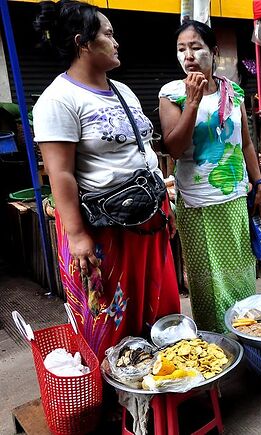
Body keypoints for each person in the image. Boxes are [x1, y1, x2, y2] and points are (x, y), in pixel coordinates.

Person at [32, 0, 180, 358]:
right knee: (111, 317)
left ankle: (162, 389)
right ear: (83, 43)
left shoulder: (122, 90)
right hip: (103, 228)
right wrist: (78, 236)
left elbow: (142, 151)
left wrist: (163, 205)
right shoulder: (58, 99)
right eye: (109, 34)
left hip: (146, 216)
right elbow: (61, 174)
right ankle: (118, 404)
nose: (117, 42)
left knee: (156, 306)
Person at [158, 20, 261, 332]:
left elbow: (245, 142)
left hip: (233, 197)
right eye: (181, 49)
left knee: (239, 274)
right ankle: (216, 343)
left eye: (195, 47)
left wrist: (258, 184)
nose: (188, 55)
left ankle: (246, 335)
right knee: (207, 282)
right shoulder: (172, 93)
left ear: (213, 52)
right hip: (196, 202)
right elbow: (175, 148)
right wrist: (192, 101)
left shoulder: (233, 92)